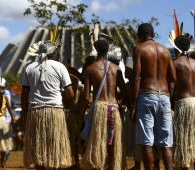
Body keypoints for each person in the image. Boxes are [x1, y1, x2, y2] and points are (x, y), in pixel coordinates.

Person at [21, 41, 74, 169]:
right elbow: (70, 94)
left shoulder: (29, 68)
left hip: (35, 112)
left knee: (38, 149)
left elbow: (24, 95)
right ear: (54, 53)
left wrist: (24, 115)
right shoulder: (60, 67)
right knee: (54, 149)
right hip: (55, 111)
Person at [130, 23, 176, 170]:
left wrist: (133, 103)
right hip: (164, 95)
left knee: (146, 141)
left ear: (140, 36)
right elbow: (173, 79)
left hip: (147, 95)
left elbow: (136, 77)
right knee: (165, 143)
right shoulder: (165, 51)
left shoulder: (139, 49)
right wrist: (168, 96)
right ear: (153, 34)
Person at [80, 39, 127, 170]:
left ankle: (99, 166)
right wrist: (120, 104)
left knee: (97, 141)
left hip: (99, 108)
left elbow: (85, 97)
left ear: (96, 49)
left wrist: (81, 114)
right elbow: (124, 92)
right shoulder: (116, 68)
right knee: (112, 142)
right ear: (108, 50)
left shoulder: (90, 69)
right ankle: (112, 167)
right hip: (113, 108)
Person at [172, 35, 195, 169]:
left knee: (184, 145)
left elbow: (171, 87)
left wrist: (171, 101)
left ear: (176, 47)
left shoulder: (175, 63)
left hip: (184, 104)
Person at [0, 77, 16, 168]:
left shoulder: (5, 97)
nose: (0, 89)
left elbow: (9, 108)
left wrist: (13, 118)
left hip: (2, 121)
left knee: (3, 143)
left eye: (2, 88)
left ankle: (2, 160)